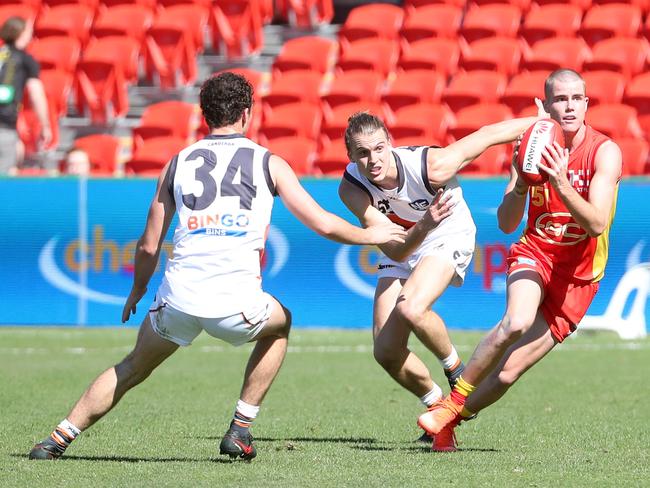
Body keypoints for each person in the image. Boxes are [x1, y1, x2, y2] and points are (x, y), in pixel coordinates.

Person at [29, 72, 407, 461]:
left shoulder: (176, 163)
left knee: (130, 368)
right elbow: (324, 223)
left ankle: (57, 438)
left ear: (205, 115)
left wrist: (138, 290)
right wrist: (378, 235)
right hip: (237, 304)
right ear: (246, 114)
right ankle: (240, 428)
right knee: (281, 324)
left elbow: (147, 245)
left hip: (177, 299)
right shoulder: (268, 163)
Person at [417, 69, 623, 451]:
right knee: (517, 320)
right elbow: (507, 222)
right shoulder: (531, 147)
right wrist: (522, 185)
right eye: (560, 99)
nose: (569, 106)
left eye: (577, 98)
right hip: (536, 253)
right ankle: (453, 402)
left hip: (579, 278)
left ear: (587, 104)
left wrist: (560, 182)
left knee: (509, 372)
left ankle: (448, 420)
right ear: (545, 106)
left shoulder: (604, 151)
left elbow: (595, 224)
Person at [338, 105, 546, 447]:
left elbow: (488, 135)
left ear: (390, 142)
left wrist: (545, 122)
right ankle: (439, 410)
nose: (373, 159)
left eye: (378, 148)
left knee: (412, 307)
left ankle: (458, 374)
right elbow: (398, 252)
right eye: (362, 153)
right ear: (350, 156)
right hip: (407, 240)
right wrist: (423, 223)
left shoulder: (431, 166)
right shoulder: (352, 189)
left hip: (447, 231)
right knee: (386, 351)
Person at [0, 17, 50, 174]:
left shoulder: (2, 55)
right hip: (5, 126)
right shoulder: (25, 60)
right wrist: (45, 125)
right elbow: (36, 93)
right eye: (29, 31)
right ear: (21, 33)